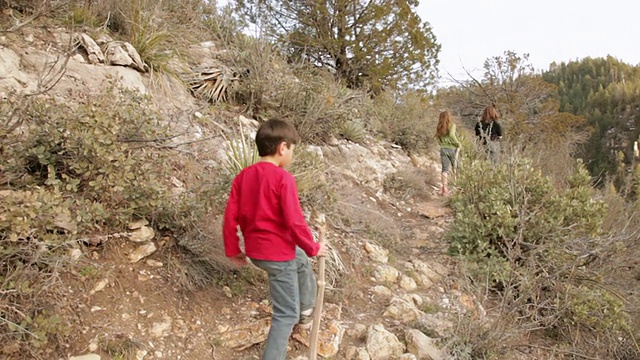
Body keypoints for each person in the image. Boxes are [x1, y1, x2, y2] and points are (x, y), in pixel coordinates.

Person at [222, 118, 326, 360]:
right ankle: (295, 319)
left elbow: (229, 218)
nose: (291, 154)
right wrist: (314, 247)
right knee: (285, 315)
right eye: (292, 148)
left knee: (299, 259)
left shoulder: (243, 176)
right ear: (282, 147)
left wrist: (233, 250)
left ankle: (306, 308)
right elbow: (295, 221)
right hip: (277, 256)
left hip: (256, 251)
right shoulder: (283, 178)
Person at [435, 110, 461, 196]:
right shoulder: (452, 125)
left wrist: (442, 144)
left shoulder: (439, 127)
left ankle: (445, 189)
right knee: (456, 168)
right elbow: (452, 135)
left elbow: (438, 137)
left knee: (445, 170)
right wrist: (458, 143)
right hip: (452, 148)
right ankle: (456, 187)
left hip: (443, 148)